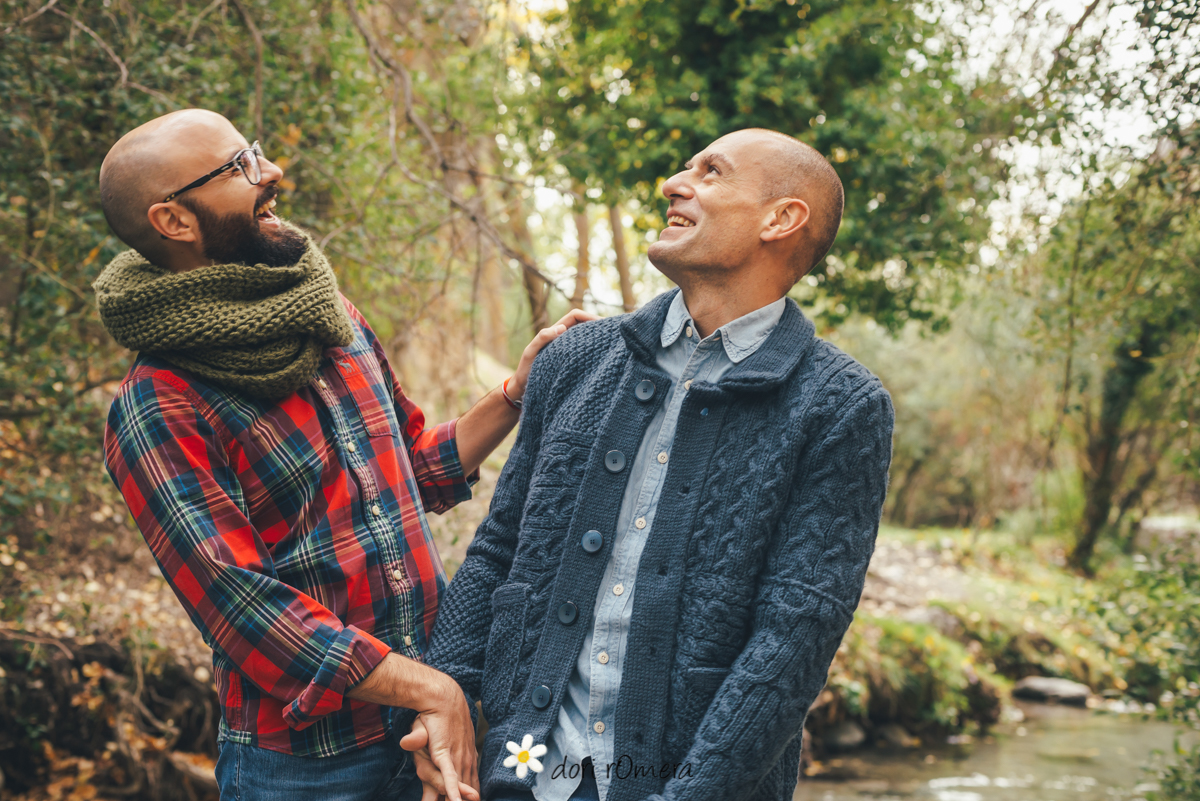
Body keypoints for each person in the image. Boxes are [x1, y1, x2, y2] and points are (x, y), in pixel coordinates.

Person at [94, 109, 591, 801]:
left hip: (429, 728)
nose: (271, 173)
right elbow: (249, 612)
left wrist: (513, 393)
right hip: (308, 767)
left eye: (255, 152)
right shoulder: (159, 404)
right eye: (238, 168)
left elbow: (409, 473)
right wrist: (431, 688)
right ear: (174, 221)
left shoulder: (329, 317)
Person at [406, 128, 894, 801]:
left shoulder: (841, 405)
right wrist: (447, 703)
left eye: (712, 171)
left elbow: (794, 638)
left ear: (781, 219)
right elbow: (498, 552)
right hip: (516, 773)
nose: (674, 183)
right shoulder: (577, 360)